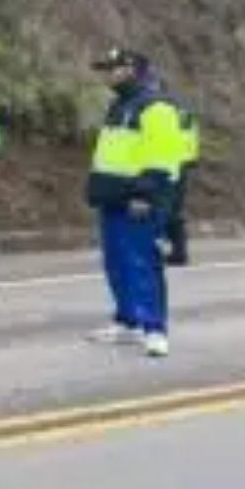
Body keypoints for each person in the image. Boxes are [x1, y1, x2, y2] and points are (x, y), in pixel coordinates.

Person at [83, 48, 181, 359]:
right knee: (116, 262)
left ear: (130, 70)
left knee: (142, 263)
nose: (106, 75)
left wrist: (144, 194)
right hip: (113, 195)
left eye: (112, 69)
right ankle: (128, 320)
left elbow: (163, 156)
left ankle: (155, 329)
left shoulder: (156, 107)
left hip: (138, 200)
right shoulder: (120, 104)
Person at [163, 91, 201, 267]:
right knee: (175, 209)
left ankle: (176, 251)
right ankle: (179, 250)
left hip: (165, 163)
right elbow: (192, 138)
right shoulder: (184, 113)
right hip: (182, 163)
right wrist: (191, 159)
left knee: (163, 208)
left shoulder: (160, 113)